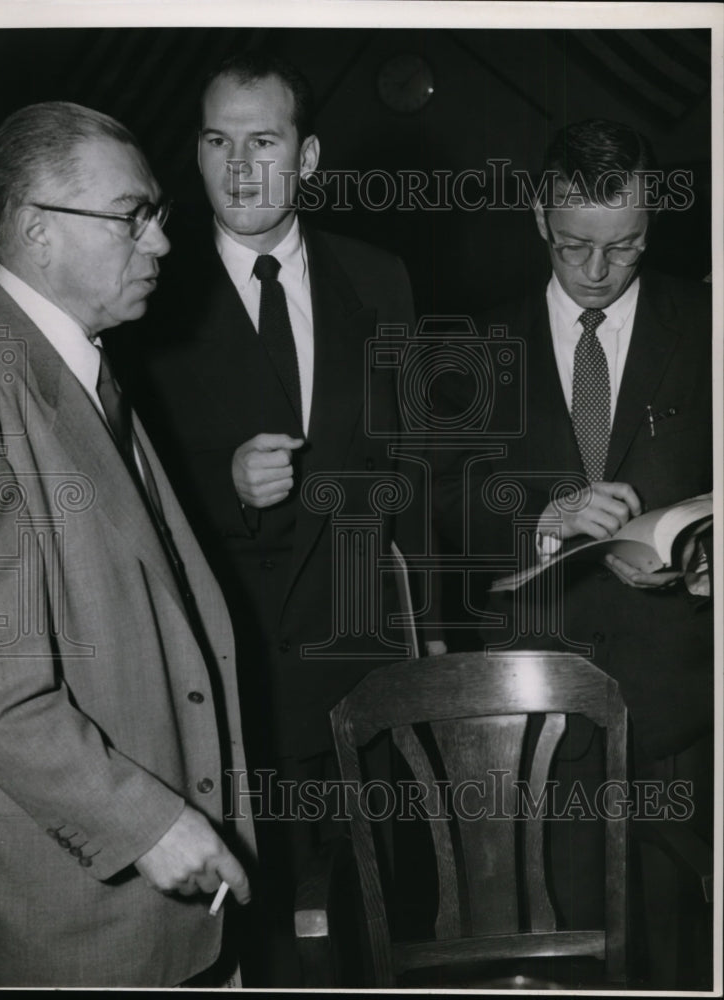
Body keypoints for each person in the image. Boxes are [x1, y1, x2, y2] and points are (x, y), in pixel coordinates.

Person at [109, 52, 443, 982]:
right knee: (244, 941)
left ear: (309, 158)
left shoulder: (380, 281)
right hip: (222, 685)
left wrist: (427, 654)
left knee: (385, 933)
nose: (240, 167)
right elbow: (102, 501)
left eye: (264, 141)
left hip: (360, 674)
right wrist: (220, 483)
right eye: (219, 141)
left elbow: (412, 475)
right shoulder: (142, 294)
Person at [0, 101, 254, 988]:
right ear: (39, 231)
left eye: (156, 215)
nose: (159, 243)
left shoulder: (78, 367)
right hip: (77, 926)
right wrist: (150, 825)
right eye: (133, 217)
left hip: (163, 918)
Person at [434, 119, 713, 987]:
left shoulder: (707, 324)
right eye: (572, 246)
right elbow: (438, 513)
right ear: (535, 216)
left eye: (623, 247)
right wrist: (539, 513)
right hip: (534, 712)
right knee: (557, 950)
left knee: (684, 954)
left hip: (685, 705)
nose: (595, 273)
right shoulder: (470, 346)